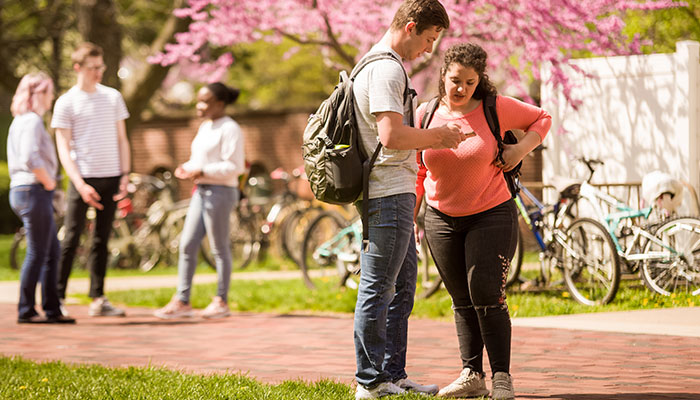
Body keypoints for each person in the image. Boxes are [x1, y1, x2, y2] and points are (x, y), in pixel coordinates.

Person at [414, 43, 551, 400]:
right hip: (440, 219)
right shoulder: (425, 114)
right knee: (461, 299)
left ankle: (502, 377)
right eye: (455, 80)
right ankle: (472, 375)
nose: (461, 89)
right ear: (443, 75)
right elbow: (417, 169)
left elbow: (543, 118)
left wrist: (519, 150)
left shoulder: (496, 108)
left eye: (470, 83)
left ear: (480, 81)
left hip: (490, 213)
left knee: (486, 295)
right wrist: (412, 215)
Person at [350, 1, 467, 398]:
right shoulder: (385, 68)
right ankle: (370, 381)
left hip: (394, 191)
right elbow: (391, 136)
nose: (430, 50)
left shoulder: (383, 64)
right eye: (430, 39)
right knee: (379, 287)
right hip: (386, 192)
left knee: (401, 287)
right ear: (412, 26)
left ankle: (392, 374)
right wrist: (440, 137)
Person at [52, 42, 131, 317]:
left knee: (101, 240)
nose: (99, 72)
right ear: (78, 68)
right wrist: (80, 184)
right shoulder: (66, 102)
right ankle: (57, 298)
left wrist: (124, 174)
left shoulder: (112, 97)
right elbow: (63, 147)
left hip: (111, 176)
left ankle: (98, 298)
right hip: (82, 179)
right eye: (93, 68)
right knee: (71, 238)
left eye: (101, 67)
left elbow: (122, 138)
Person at [154, 82, 245, 320]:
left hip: (221, 193)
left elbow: (234, 167)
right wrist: (188, 168)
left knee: (219, 248)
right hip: (201, 191)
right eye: (198, 100)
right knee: (188, 244)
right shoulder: (205, 127)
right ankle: (183, 301)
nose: (199, 105)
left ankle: (221, 301)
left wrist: (201, 170)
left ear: (220, 104)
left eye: (205, 101)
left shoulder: (230, 128)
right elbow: (199, 160)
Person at [7, 72, 76, 324]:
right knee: (38, 252)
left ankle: (51, 308)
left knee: (51, 252)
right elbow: (30, 157)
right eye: (48, 92)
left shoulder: (21, 121)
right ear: (36, 95)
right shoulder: (32, 121)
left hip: (26, 191)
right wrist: (48, 181)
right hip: (33, 190)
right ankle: (26, 310)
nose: (52, 97)